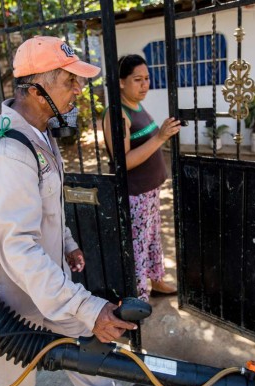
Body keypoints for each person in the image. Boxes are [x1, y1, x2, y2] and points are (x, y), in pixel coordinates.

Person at [0, 36, 151, 386]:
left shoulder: (40, 136)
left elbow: (47, 207)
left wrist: (66, 243)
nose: (79, 90)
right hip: (11, 300)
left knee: (88, 350)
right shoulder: (7, 153)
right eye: (70, 81)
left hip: (48, 283)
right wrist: (87, 306)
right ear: (37, 89)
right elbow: (18, 248)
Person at [103, 54, 181, 302]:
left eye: (147, 78)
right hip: (134, 195)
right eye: (138, 79)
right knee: (137, 248)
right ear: (121, 82)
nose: (145, 84)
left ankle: (156, 282)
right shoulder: (117, 113)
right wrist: (160, 138)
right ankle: (139, 300)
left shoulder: (137, 104)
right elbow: (122, 161)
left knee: (152, 241)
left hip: (150, 191)